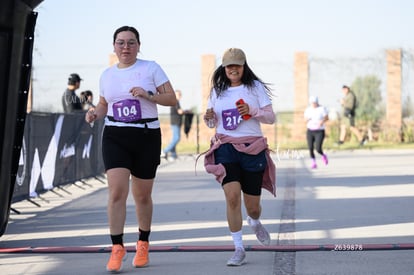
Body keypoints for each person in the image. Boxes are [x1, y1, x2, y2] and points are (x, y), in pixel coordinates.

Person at [85, 25, 177, 273]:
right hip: (115, 135)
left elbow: (172, 100)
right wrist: (95, 113)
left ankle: (143, 243)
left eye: (131, 42)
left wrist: (148, 95)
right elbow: (105, 104)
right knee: (116, 192)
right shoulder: (107, 75)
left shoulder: (151, 68)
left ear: (138, 45)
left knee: (142, 195)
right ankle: (117, 248)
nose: (126, 47)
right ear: (114, 46)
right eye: (121, 42)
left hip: (146, 134)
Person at [202, 48, 276, 266]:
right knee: (232, 197)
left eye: (237, 65)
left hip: (252, 148)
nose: (233, 69)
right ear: (223, 68)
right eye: (229, 66)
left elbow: (271, 117)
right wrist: (209, 118)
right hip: (225, 147)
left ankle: (254, 220)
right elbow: (212, 122)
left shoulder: (255, 88)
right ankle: (238, 248)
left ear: (244, 66)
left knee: (252, 206)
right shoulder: (217, 91)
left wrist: (252, 111)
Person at [161, 89, 188, 161]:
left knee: (174, 138)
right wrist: (186, 111)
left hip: (177, 122)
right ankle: (164, 151)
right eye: (178, 94)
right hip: (175, 123)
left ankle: (173, 155)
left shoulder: (177, 102)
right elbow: (180, 112)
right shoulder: (175, 101)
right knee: (176, 138)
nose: (180, 96)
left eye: (180, 94)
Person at [304, 96, 329, 169]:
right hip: (310, 131)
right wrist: (307, 119)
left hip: (319, 131)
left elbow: (327, 117)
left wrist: (322, 121)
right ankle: (313, 162)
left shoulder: (321, 109)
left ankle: (323, 155)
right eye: (312, 103)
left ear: (317, 102)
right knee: (310, 147)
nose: (313, 104)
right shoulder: (308, 110)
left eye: (314, 103)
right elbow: (304, 120)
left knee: (318, 148)